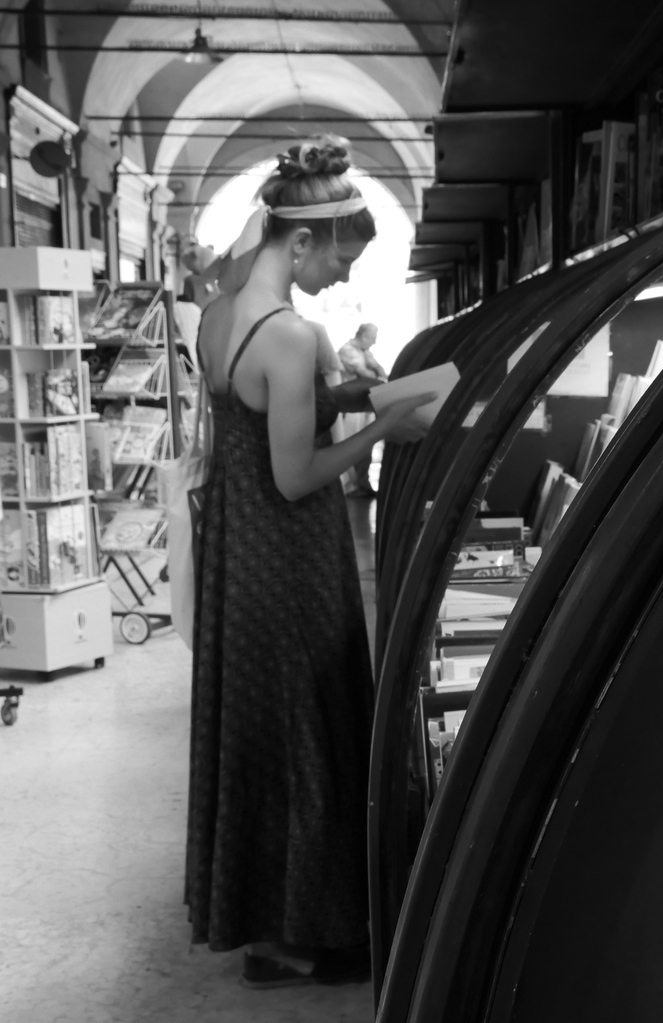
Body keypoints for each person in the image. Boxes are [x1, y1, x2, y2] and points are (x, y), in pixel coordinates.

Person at [187, 135, 434, 989]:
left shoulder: (221, 312)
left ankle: (264, 933)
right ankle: (322, 934)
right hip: (288, 553)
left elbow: (258, 418)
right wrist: (383, 429)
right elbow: (295, 475)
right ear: (300, 242)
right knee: (311, 725)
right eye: (337, 260)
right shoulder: (290, 333)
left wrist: (354, 391)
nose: (339, 279)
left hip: (236, 548)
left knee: (260, 727)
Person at [336, 323, 387, 496]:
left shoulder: (365, 353)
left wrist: (377, 369)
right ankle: (352, 485)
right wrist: (376, 372)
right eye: (373, 338)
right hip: (350, 409)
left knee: (367, 445)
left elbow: (381, 372)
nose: (374, 342)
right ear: (364, 336)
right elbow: (368, 375)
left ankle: (363, 484)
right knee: (352, 444)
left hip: (364, 407)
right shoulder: (348, 350)